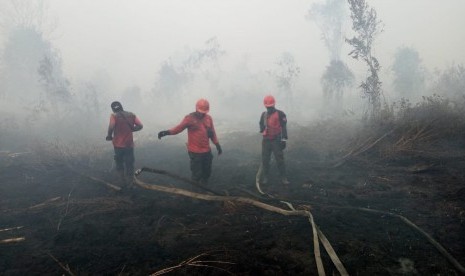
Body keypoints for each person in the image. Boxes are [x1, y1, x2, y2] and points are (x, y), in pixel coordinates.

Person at [158, 98, 222, 185]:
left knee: (207, 172)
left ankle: (204, 189)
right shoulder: (189, 118)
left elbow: (212, 132)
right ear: (196, 109)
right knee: (197, 174)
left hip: (206, 151)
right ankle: (195, 193)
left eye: (204, 112)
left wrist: (217, 144)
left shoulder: (208, 118)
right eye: (200, 112)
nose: (202, 114)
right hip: (195, 152)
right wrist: (167, 132)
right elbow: (179, 128)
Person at [106, 101, 143, 188]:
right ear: (121, 106)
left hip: (118, 145)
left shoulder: (114, 116)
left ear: (112, 109)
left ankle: (122, 182)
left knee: (119, 163)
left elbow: (111, 126)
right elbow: (140, 126)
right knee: (129, 163)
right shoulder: (131, 114)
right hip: (129, 145)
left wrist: (109, 135)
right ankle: (130, 183)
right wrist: (132, 129)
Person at [259, 95, 290, 185]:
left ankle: (283, 177)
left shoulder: (280, 114)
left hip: (276, 140)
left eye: (271, 107)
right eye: (268, 107)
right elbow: (260, 124)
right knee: (265, 159)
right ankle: (266, 177)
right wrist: (262, 129)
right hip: (266, 141)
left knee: (279, 159)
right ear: (265, 106)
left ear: (274, 105)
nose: (269, 109)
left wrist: (284, 139)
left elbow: (284, 126)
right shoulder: (263, 115)